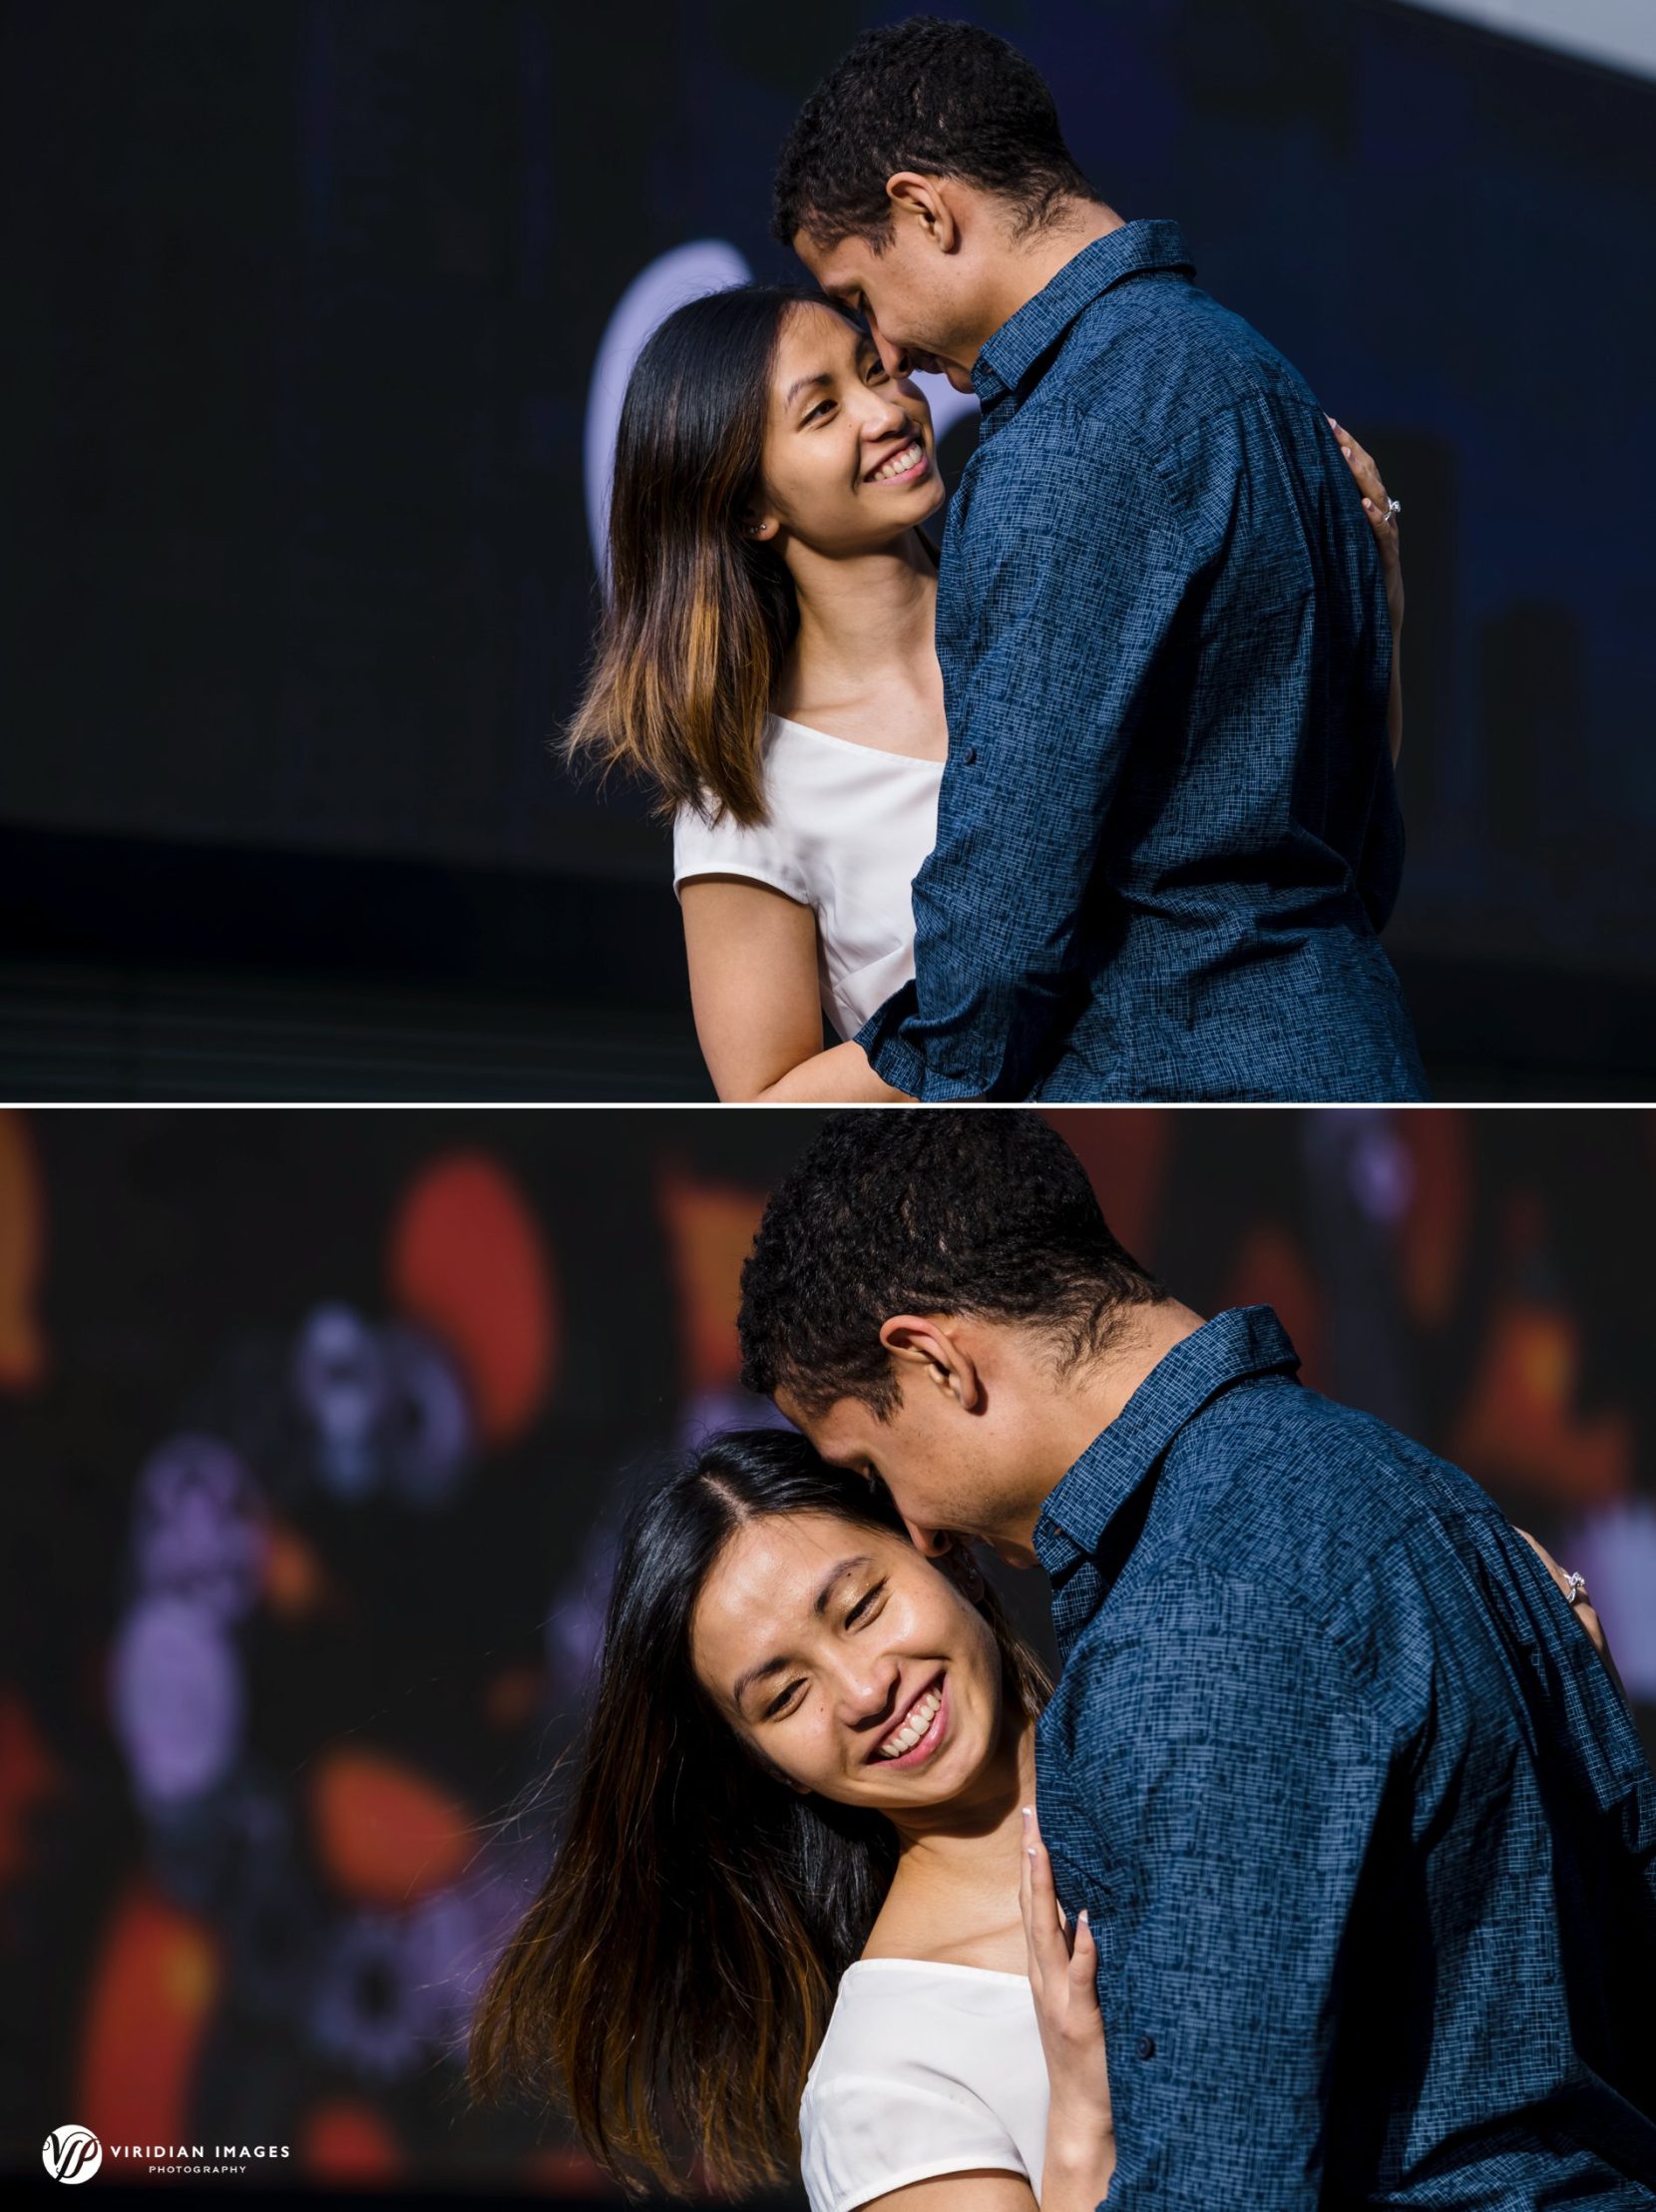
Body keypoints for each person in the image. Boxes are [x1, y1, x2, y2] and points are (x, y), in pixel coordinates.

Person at [735, 1112, 1656, 2206]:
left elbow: (1221, 2188)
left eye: (875, 1469)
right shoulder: (1408, 1484)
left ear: (933, 1360)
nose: (922, 1528)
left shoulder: (1189, 1624)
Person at [466, 1426, 1606, 2211]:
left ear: (941, 1553)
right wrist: (1082, 2119)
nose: (863, 1690)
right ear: (771, 1767)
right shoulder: (889, 2078)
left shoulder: (1223, 1746)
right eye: (786, 1694)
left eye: (859, 1607)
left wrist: (1535, 1722)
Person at [771, 18, 1430, 1102]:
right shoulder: (1263, 381)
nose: (886, 354)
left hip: (1170, 1103)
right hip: (1351, 1068)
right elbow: (1364, 857)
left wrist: (927, 1109)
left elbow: (1008, 915)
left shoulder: (1065, 440)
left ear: (922, 208)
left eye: (857, 298)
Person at [569, 282, 1403, 1103]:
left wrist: (1380, 612)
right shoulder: (748, 784)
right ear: (748, 504)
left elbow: (1299, 814)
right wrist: (979, 1017)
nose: (886, 411)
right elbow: (764, 1101)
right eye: (821, 411)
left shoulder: (1047, 600)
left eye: (875, 370)